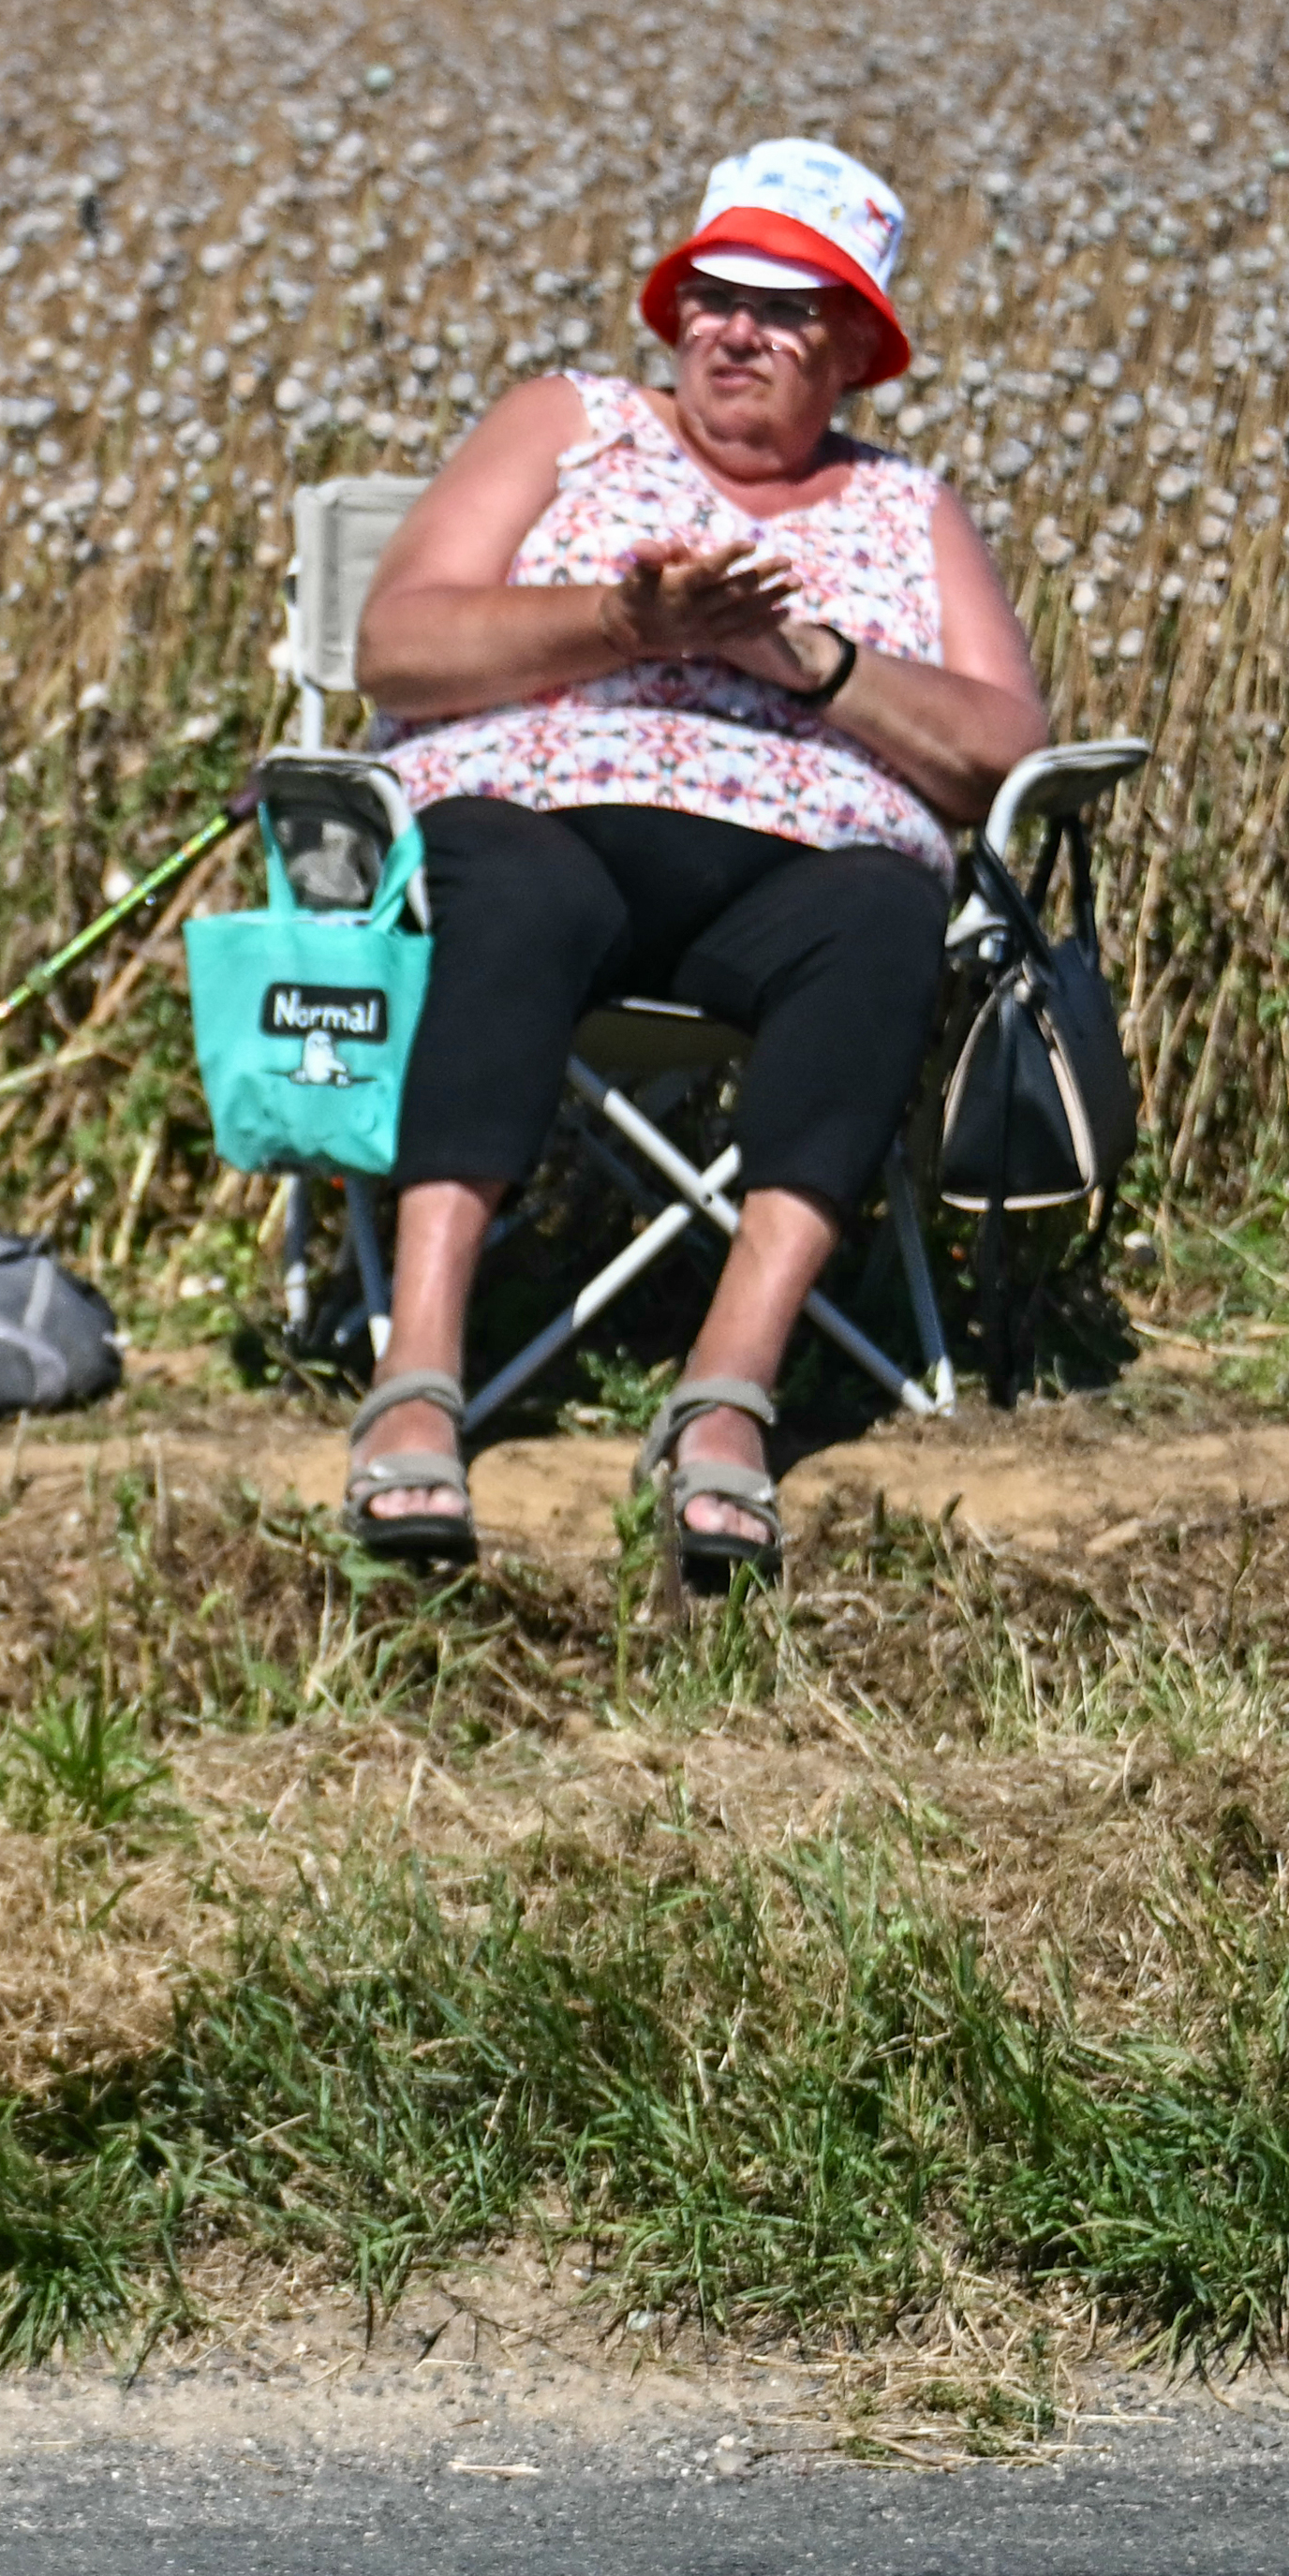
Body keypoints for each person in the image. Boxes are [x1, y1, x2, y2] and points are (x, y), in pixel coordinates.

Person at [342, 139, 1053, 1578]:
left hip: (801, 875)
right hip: (546, 826)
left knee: (883, 920)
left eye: (788, 310)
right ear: (672, 316)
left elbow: (1000, 749)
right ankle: (418, 1371)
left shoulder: (908, 507)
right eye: (713, 297)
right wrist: (626, 628)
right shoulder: (569, 421)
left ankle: (728, 1391)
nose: (737, 331)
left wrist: (809, 661)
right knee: (511, 887)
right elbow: (399, 644)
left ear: (856, 347)